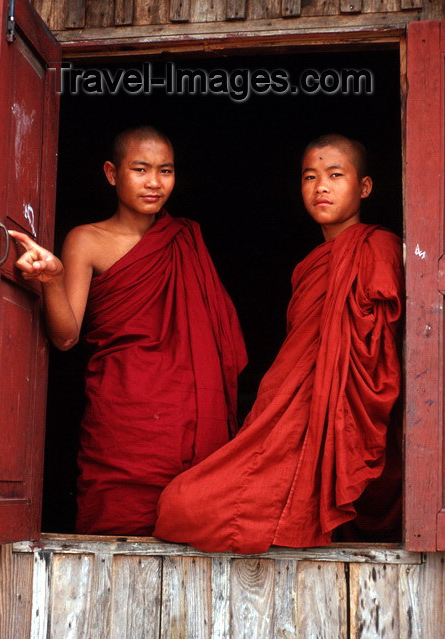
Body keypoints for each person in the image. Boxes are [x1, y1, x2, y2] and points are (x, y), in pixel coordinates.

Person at [154, 133, 404, 553]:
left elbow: (383, 355)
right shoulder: (309, 267)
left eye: (335, 175)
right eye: (310, 177)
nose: (320, 186)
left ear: (364, 187)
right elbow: (302, 357)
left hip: (354, 424)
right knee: (185, 505)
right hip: (293, 420)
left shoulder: (381, 249)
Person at [10, 126, 247, 536]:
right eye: (140, 169)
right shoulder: (87, 240)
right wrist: (52, 279)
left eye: (165, 171)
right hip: (124, 414)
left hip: (188, 417)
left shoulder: (186, 238)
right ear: (111, 172)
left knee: (195, 518)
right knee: (117, 525)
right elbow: (66, 337)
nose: (154, 182)